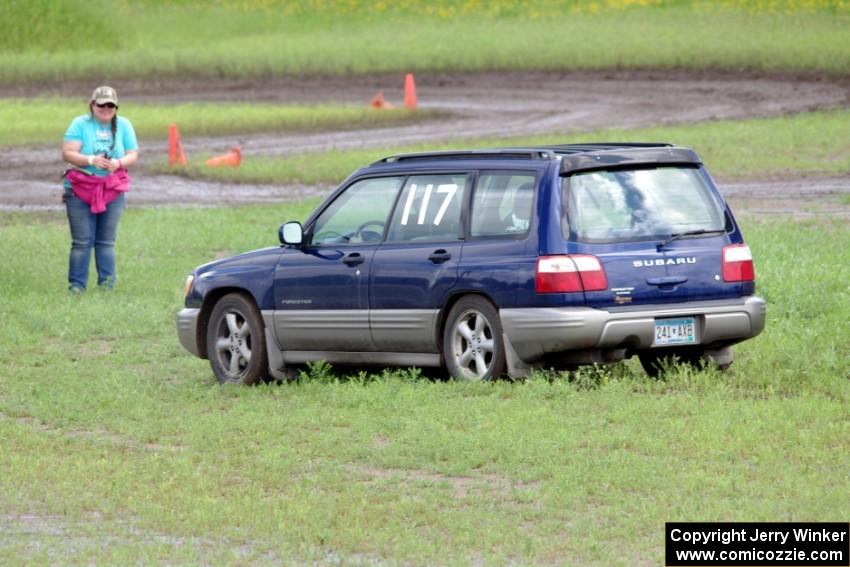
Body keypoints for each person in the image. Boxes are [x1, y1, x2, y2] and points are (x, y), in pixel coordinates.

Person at [61, 86, 139, 293]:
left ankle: (106, 287)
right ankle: (76, 287)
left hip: (112, 190)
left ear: (116, 107)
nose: (106, 108)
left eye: (110, 105)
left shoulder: (124, 125)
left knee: (106, 242)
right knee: (82, 241)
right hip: (80, 189)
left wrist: (119, 163)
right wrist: (91, 160)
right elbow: (68, 153)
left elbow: (133, 153)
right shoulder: (80, 124)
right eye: (101, 104)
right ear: (92, 105)